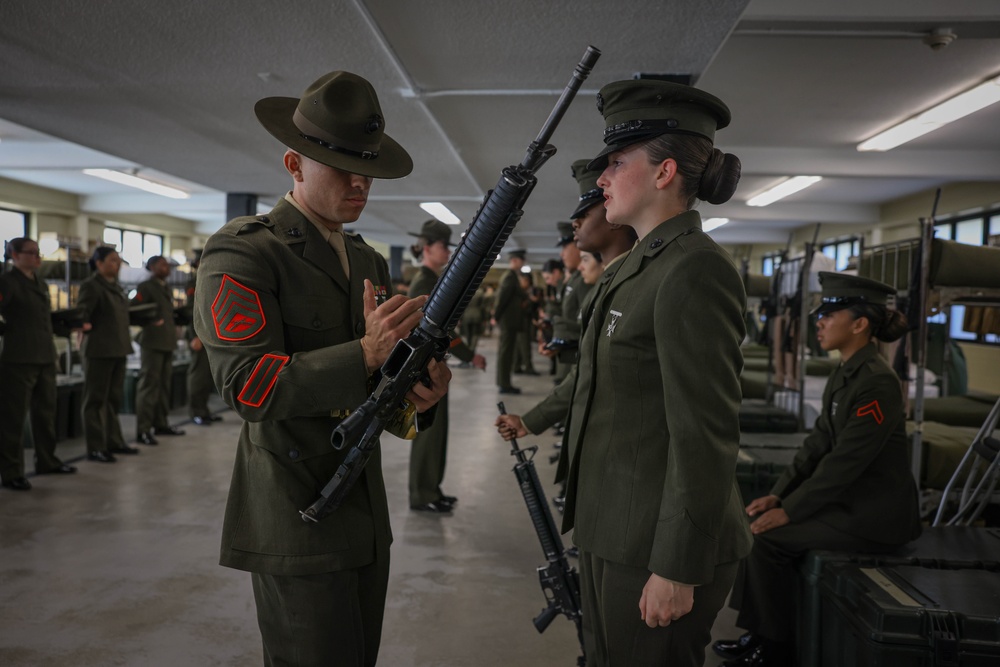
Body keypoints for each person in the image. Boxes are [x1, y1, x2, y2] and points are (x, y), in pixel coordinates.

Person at [192, 70, 450, 667]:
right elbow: (248, 388)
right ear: (294, 163)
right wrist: (364, 353)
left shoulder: (363, 257)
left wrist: (416, 401)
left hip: (363, 511)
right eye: (341, 166)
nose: (360, 182)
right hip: (295, 511)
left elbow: (376, 391)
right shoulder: (245, 251)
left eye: (369, 167)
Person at [557, 79, 752, 666]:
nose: (601, 179)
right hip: (615, 526)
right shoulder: (637, 266)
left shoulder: (694, 271)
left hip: (655, 542)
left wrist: (677, 563)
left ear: (664, 172)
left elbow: (704, 434)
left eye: (617, 163)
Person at [714, 273, 922, 667]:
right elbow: (817, 445)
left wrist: (790, 511)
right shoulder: (846, 372)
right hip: (847, 503)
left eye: (830, 315)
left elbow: (844, 463)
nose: (819, 323)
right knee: (756, 523)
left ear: (860, 324)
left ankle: (775, 647)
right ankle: (758, 632)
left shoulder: (877, 382)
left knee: (767, 539)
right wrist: (779, 493)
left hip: (873, 515)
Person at [406, 219, 486, 513]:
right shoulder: (424, 283)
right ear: (427, 248)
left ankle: (431, 489)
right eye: (443, 246)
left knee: (437, 432)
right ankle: (422, 494)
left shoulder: (432, 280)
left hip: (433, 367)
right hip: (424, 368)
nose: (448, 251)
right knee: (428, 434)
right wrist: (468, 355)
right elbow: (440, 330)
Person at [0, 237, 77, 491]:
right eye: (31, 253)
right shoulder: (7, 282)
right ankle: (12, 471)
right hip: (18, 358)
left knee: (45, 413)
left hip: (44, 355)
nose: (37, 257)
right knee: (14, 418)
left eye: (37, 252)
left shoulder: (40, 282)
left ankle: (47, 460)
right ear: (14, 254)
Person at [77, 246, 138, 462]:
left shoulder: (116, 287)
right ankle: (95, 446)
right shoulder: (91, 286)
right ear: (99, 263)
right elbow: (82, 314)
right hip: (98, 350)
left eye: (119, 260)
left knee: (113, 399)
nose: (117, 264)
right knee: (95, 400)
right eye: (112, 260)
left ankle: (114, 441)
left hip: (117, 349)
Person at [131, 255, 184, 445]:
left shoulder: (164, 286)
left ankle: (160, 423)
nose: (166, 267)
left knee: (163, 386)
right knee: (149, 386)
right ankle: (143, 430)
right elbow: (133, 310)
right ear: (152, 267)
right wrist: (150, 321)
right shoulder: (146, 286)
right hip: (152, 342)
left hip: (167, 342)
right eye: (162, 264)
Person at [184, 250, 220, 426]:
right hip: (199, 335)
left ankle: (204, 410)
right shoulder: (194, 283)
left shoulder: (209, 279)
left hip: (211, 334)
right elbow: (192, 311)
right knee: (198, 375)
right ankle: (196, 411)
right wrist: (195, 335)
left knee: (206, 376)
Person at [493, 248, 528, 394]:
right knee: (506, 352)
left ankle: (504, 382)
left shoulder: (513, 276)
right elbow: (502, 298)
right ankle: (504, 384)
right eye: (521, 260)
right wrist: (495, 316)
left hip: (511, 321)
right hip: (508, 321)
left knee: (507, 352)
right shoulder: (510, 277)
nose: (523, 263)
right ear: (514, 260)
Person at [514, 271, 540, 375]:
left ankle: (517, 366)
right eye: (523, 280)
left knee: (522, 345)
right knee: (524, 346)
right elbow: (522, 307)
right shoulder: (519, 293)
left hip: (526, 321)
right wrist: (531, 301)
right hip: (521, 321)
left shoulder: (528, 292)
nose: (525, 282)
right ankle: (527, 367)